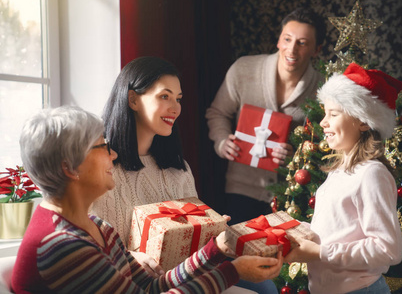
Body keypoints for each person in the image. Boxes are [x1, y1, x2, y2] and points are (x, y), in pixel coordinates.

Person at [11, 105, 283, 293]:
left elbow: (153, 286)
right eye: (103, 147)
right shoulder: (62, 245)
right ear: (70, 168)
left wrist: (218, 249)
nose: (113, 155)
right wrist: (233, 271)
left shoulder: (95, 226)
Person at [284, 63, 402, 294]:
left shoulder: (372, 174)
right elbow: (339, 230)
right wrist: (296, 230)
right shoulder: (341, 171)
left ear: (364, 121)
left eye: (334, 114)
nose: (323, 123)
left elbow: (388, 249)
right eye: (325, 113)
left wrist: (319, 253)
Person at [205, 7, 326, 225]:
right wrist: (222, 141)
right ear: (278, 41)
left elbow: (326, 144)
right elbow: (217, 113)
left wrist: (296, 155)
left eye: (302, 43)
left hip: (293, 195)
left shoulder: (322, 88)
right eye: (287, 39)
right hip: (241, 188)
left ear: (316, 50)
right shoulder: (244, 69)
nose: (292, 49)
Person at [90, 57, 197, 275]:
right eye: (164, 96)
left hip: (183, 277)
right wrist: (129, 258)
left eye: (178, 98)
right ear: (133, 100)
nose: (175, 108)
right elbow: (88, 248)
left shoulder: (180, 169)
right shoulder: (100, 167)